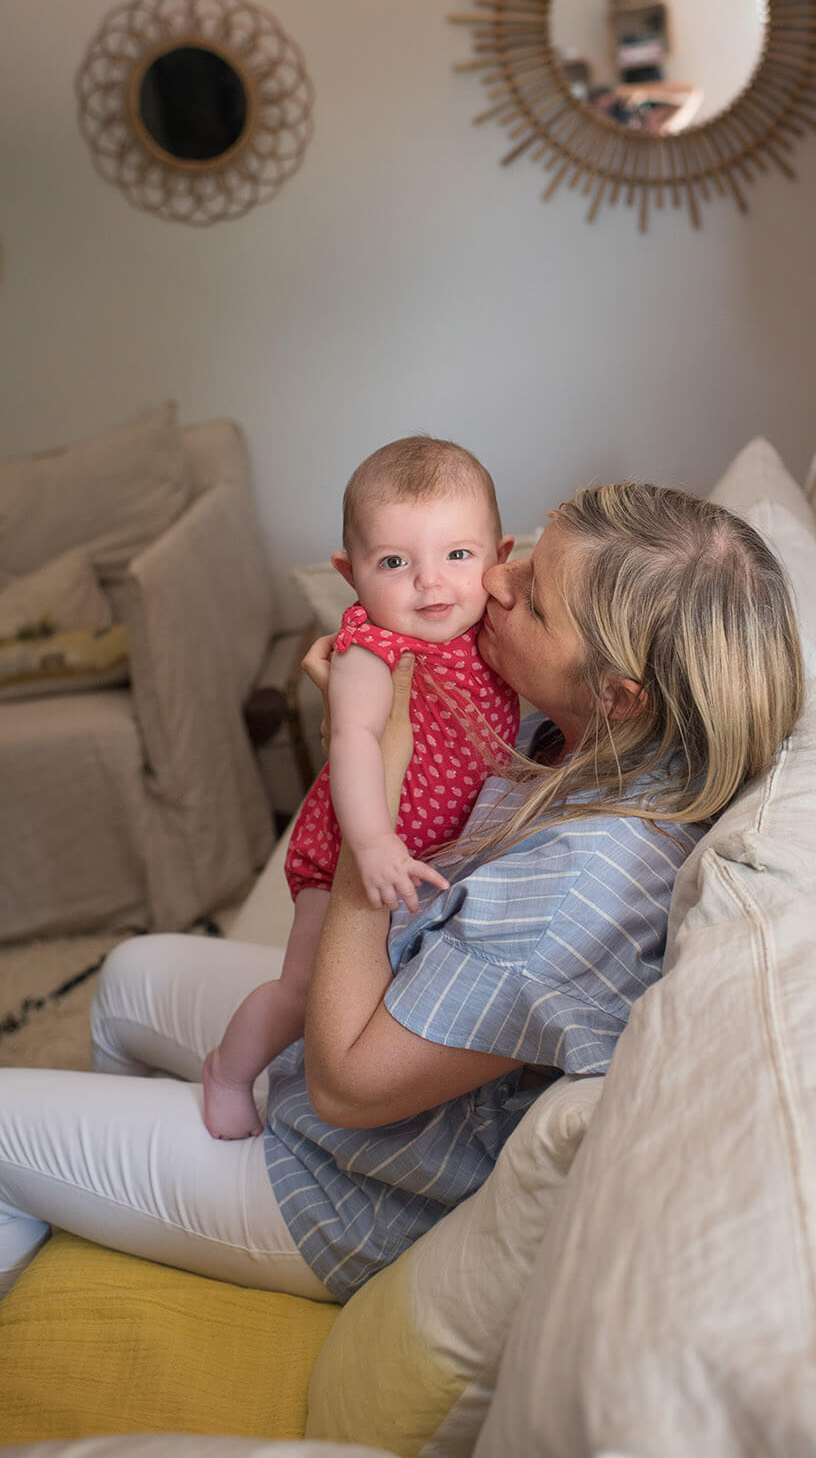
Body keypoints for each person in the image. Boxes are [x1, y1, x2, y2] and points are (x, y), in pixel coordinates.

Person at [0, 482, 803, 1306]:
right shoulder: (587, 739)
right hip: (359, 1022)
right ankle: (104, 1204)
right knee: (126, 979)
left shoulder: (583, 886)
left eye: (532, 600)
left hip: (342, 1189)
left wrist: (373, 785)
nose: (495, 580)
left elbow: (345, 1087)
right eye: (523, 556)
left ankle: (86, 1258)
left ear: (619, 694)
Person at [202, 436, 519, 1139]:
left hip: (431, 851)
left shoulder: (494, 630)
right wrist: (372, 841)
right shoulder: (373, 646)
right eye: (395, 562)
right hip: (349, 842)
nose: (430, 584)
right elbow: (350, 738)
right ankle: (227, 1068)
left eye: (458, 555)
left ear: (501, 557)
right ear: (350, 572)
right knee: (307, 987)